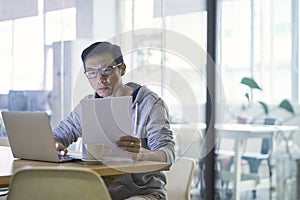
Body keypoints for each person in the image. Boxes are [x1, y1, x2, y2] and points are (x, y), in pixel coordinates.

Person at [53, 41, 175, 200]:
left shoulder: (150, 104)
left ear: (122, 69)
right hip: (95, 192)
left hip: (142, 193)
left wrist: (141, 154)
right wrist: (55, 146)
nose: (100, 79)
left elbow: (168, 155)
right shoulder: (88, 105)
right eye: (91, 72)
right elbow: (59, 136)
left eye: (106, 71)